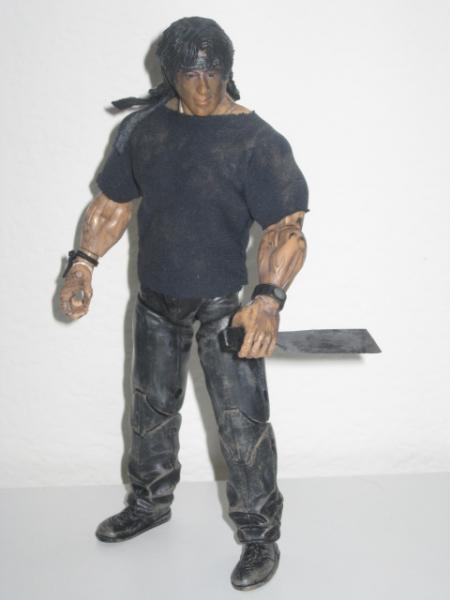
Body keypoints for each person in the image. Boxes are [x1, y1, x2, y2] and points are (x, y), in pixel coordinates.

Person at [60, 16, 309, 592]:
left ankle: (259, 533)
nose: (203, 86)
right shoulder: (143, 130)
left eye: (214, 73)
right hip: (155, 300)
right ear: (169, 72)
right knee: (150, 410)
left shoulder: (258, 142)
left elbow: (286, 229)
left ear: (229, 71)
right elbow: (112, 206)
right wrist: (82, 265)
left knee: (242, 424)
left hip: (226, 310)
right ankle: (149, 503)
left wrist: (267, 301)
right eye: (191, 74)